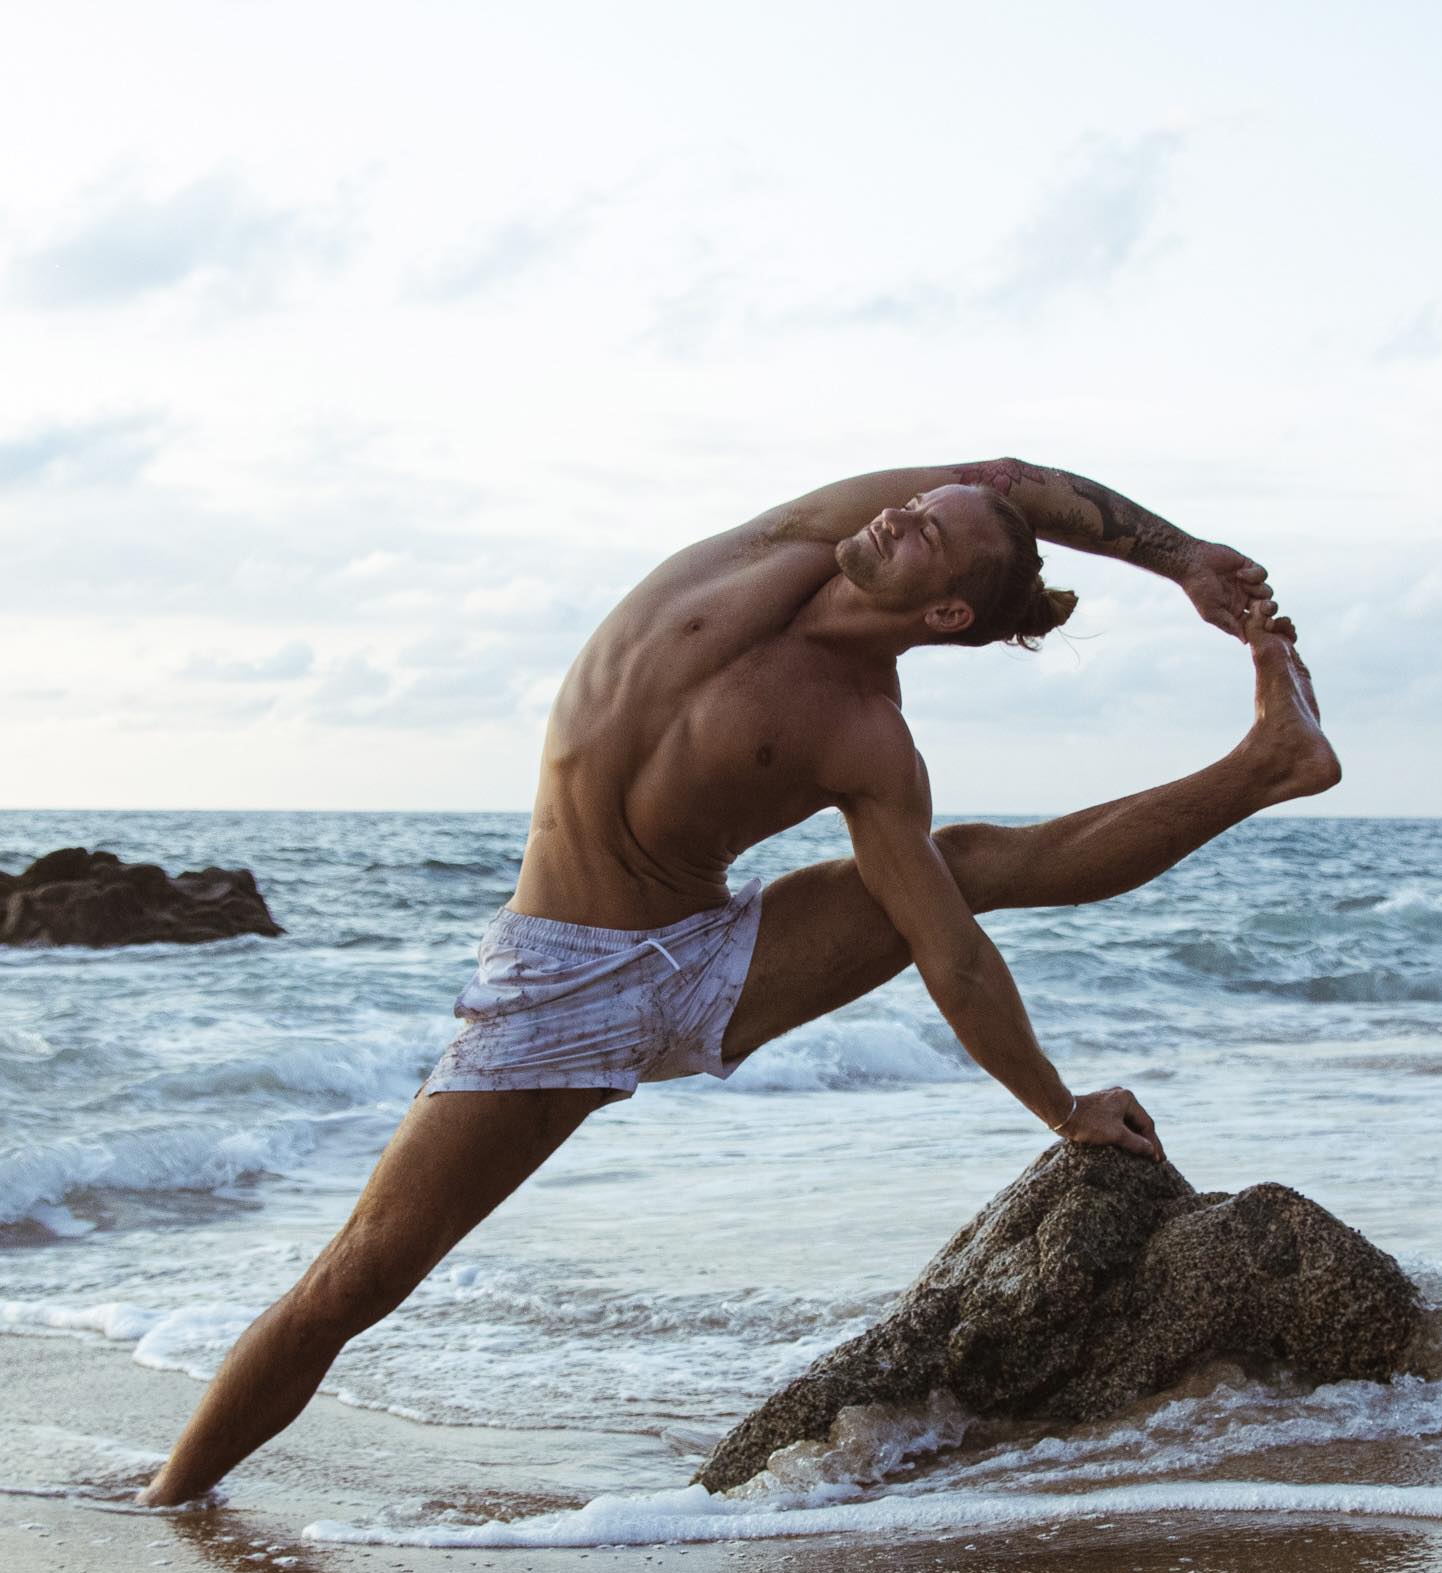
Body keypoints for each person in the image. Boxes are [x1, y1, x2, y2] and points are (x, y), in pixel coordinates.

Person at [137, 455, 1338, 1506]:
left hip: (702, 968)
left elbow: (950, 953)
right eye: (913, 499)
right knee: (363, 1274)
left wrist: (1060, 1110)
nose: (899, 513)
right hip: (551, 974)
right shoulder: (777, 547)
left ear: (949, 606)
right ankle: (175, 1491)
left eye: (927, 528)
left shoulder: (866, 737)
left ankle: (1265, 763)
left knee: (964, 868)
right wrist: (1178, 557)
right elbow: (1011, 476)